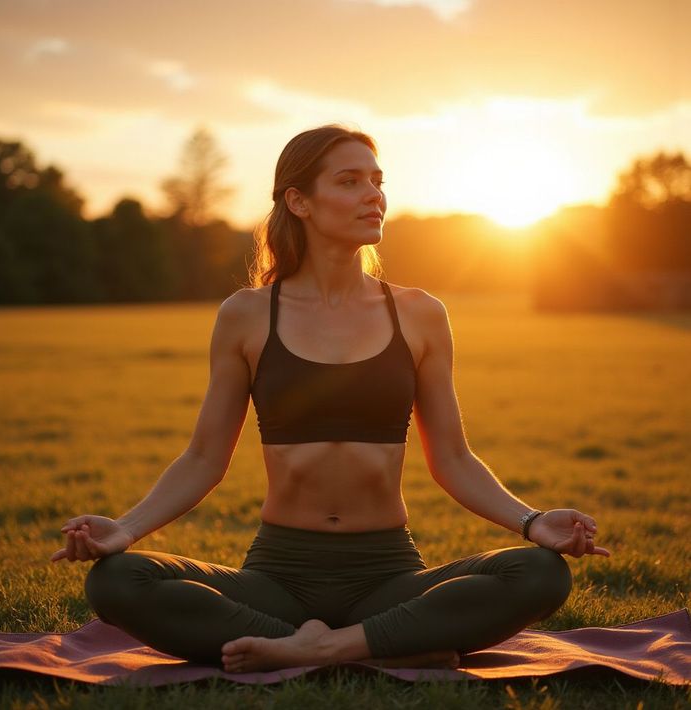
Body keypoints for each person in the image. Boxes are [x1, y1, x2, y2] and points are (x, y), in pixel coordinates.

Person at [50, 124, 610, 673]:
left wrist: (533, 521)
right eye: (349, 181)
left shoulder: (419, 314)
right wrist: (125, 529)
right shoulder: (246, 315)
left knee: (541, 574)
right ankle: (386, 644)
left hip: (388, 572)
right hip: (277, 574)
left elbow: (455, 460)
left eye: (378, 180)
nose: (374, 195)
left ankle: (314, 648)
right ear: (299, 201)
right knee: (117, 581)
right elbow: (203, 459)